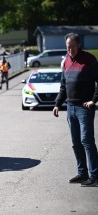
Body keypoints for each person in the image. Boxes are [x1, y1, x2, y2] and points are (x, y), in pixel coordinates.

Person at [53, 32, 98, 187]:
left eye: (72, 46)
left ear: (79, 45)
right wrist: (58, 104)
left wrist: (93, 101)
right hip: (70, 107)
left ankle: (95, 176)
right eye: (67, 47)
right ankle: (82, 173)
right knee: (76, 142)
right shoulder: (65, 62)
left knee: (87, 141)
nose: (69, 49)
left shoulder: (89, 60)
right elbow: (63, 86)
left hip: (84, 108)